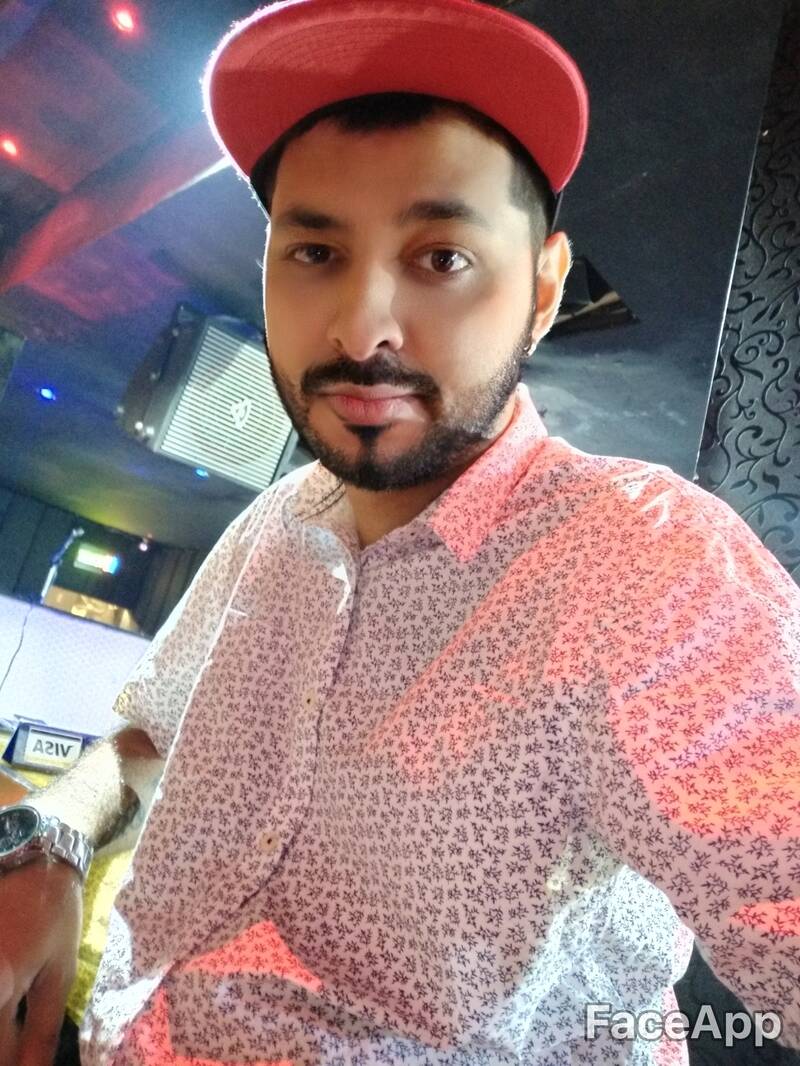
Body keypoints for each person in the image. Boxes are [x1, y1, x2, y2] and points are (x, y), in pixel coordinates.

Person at [0, 0, 798, 1063]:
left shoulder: (644, 566)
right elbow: (150, 739)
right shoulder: (275, 522)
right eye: (314, 249)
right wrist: (51, 838)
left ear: (543, 291)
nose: (361, 326)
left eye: (441, 257)